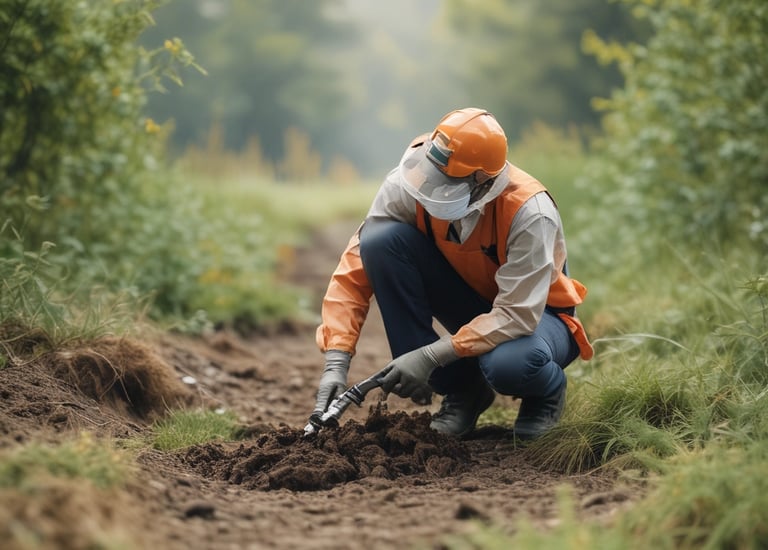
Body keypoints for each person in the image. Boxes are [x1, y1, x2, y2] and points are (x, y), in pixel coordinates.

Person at [311, 107, 593, 439]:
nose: (431, 187)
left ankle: (544, 392)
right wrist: (336, 361)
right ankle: (463, 391)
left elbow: (517, 315)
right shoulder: (408, 182)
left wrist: (431, 355)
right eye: (433, 174)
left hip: (537, 319)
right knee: (380, 241)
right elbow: (355, 268)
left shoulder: (530, 213)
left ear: (481, 180)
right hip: (472, 302)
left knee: (507, 365)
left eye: (446, 182)